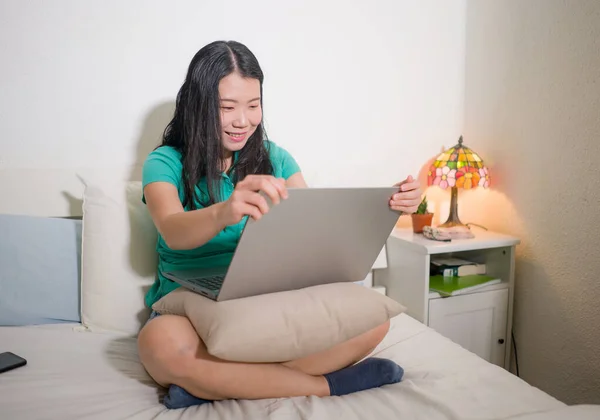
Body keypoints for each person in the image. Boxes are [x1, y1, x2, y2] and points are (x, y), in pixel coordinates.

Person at [137, 40, 423, 409]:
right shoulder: (164, 162)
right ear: (198, 107)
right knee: (160, 345)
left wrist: (389, 206)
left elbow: (313, 231)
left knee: (374, 321)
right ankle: (326, 385)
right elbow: (173, 229)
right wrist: (225, 210)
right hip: (189, 301)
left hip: (265, 301)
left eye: (253, 105)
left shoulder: (276, 158)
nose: (244, 120)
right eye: (227, 107)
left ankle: (211, 383)